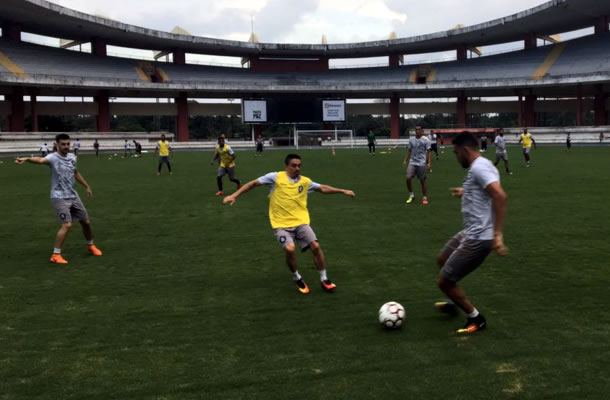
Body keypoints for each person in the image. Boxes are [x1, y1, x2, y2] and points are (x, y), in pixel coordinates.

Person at [222, 154, 355, 294]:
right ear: (286, 167)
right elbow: (253, 184)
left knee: (316, 246)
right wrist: (233, 195)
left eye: (299, 165)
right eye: (294, 165)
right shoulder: (275, 177)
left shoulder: (305, 182)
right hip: (281, 224)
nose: (297, 168)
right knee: (290, 249)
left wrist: (343, 191)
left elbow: (322, 188)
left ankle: (324, 278)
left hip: (301, 222)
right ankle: (296, 276)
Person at [434, 132, 508, 334]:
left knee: (444, 281)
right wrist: (465, 192)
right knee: (442, 259)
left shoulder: (480, 167)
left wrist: (498, 234)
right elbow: (485, 190)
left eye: (456, 153)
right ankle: (452, 303)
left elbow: (500, 196)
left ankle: (476, 318)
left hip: (478, 238)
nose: (456, 157)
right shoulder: (480, 167)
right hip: (469, 232)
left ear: (465, 150)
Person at [14, 133, 103, 264]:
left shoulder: (73, 157)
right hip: (59, 197)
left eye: (68, 144)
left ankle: (91, 246)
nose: (66, 147)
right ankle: (55, 255)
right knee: (67, 225)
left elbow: (75, 172)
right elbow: (41, 160)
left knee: (86, 222)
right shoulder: (52, 157)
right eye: (63, 144)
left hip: (73, 195)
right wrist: (27, 159)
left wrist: (86, 186)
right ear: (57, 144)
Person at [403, 125, 431, 205]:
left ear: (422, 131)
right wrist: (405, 160)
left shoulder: (426, 140)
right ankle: (411, 195)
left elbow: (429, 152)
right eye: (416, 129)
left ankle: (424, 197)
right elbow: (409, 150)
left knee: (422, 181)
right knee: (408, 178)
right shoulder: (411, 139)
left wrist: (429, 163)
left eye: (419, 129)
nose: (417, 131)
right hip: (412, 162)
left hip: (421, 162)